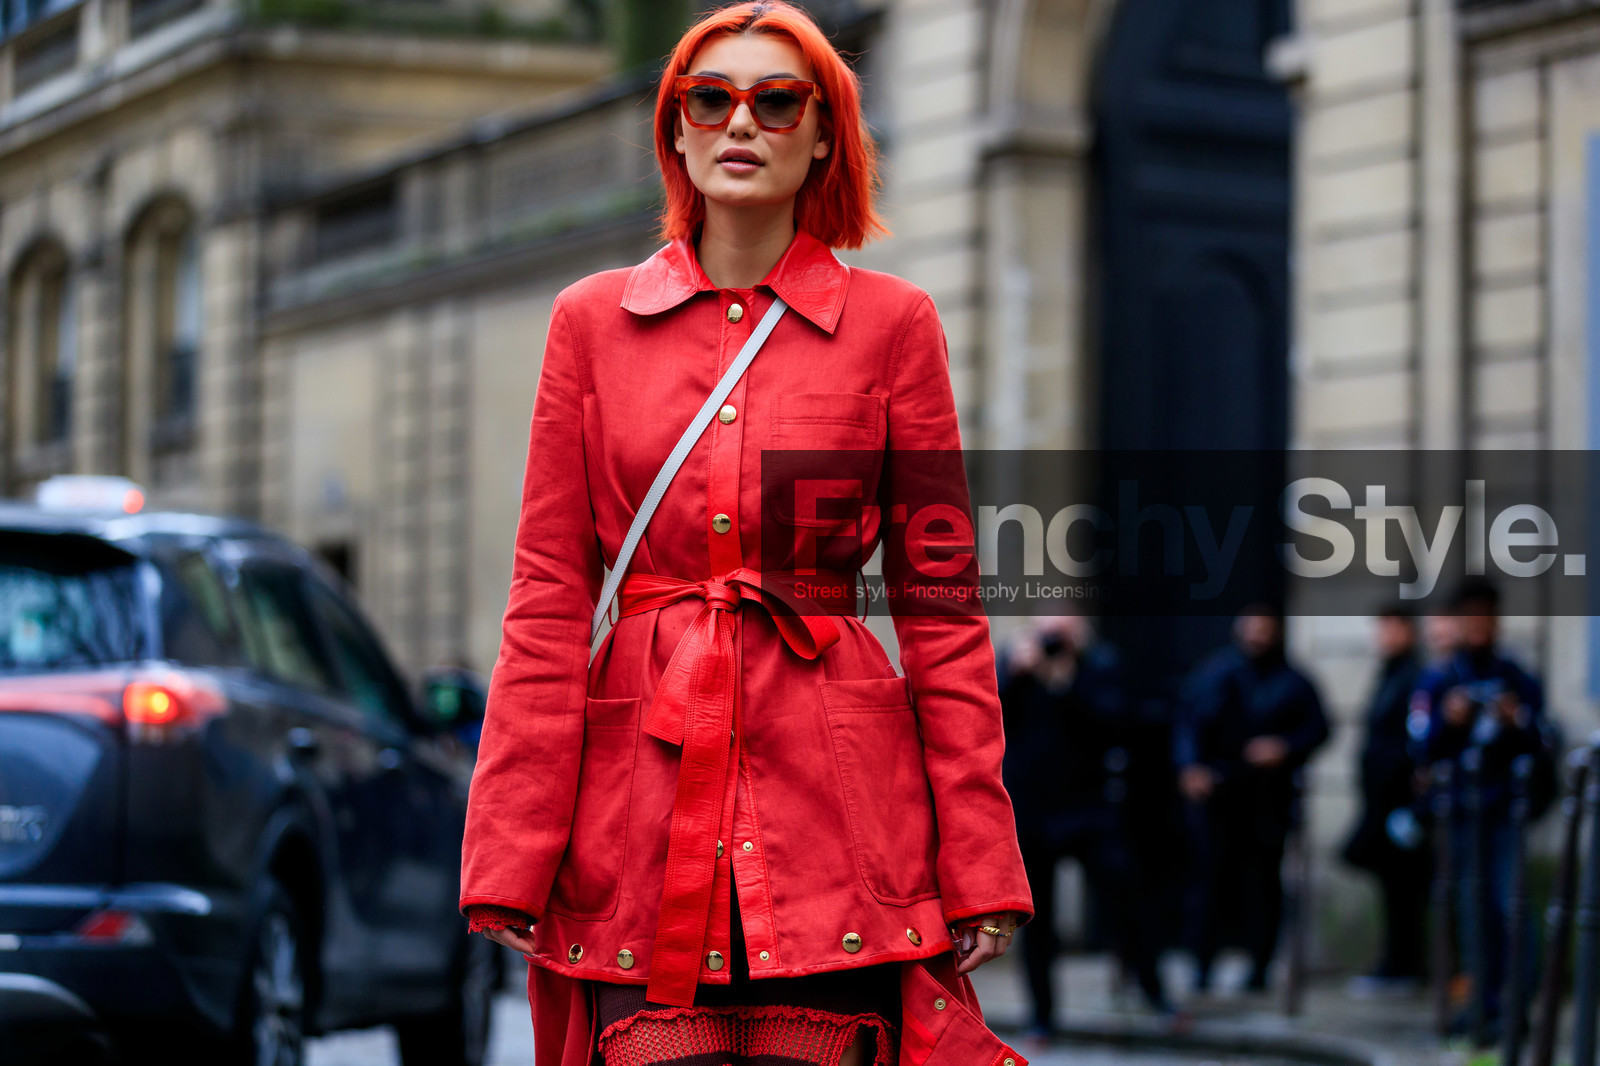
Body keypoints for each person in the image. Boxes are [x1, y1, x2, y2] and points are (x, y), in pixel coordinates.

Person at [455, 5, 1033, 1065]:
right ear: (674, 132)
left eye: (777, 101)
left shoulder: (893, 326)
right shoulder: (588, 321)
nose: (741, 122)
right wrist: (510, 846)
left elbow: (941, 612)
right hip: (634, 810)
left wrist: (980, 854)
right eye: (709, 99)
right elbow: (544, 598)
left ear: (823, 135)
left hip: (837, 810)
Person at [999, 613, 1174, 1036]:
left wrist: (1066, 682)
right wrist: (1017, 672)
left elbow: (1117, 723)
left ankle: (1155, 993)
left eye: (1063, 634)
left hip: (1089, 810)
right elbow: (986, 720)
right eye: (1047, 635)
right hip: (1034, 812)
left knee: (1125, 900)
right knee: (1035, 921)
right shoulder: (1015, 666)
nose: (1054, 643)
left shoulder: (1099, 666)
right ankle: (1041, 1018)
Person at [1411, 578, 1558, 1042]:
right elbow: (1419, 748)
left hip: (1503, 812)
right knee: (1469, 910)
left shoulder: (1516, 676)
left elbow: (1546, 740)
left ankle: (1514, 1005)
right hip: (1459, 813)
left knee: (1509, 906)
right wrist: (1447, 720)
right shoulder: (1439, 679)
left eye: (1486, 616)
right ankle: (1480, 1003)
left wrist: (1519, 720)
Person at [1175, 603, 1330, 993]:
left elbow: (1318, 728)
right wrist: (1190, 767)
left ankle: (1260, 968)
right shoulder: (1216, 673)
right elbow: (1187, 721)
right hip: (1219, 795)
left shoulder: (1293, 681)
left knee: (1263, 886)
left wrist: (1285, 748)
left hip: (1267, 800)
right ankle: (1202, 966)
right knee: (1209, 884)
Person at [1341, 604, 1429, 995]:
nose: (1385, 636)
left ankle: (1404, 966)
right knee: (1392, 887)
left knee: (1404, 889)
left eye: (1393, 628)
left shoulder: (1412, 677)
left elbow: (1409, 741)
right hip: (1381, 799)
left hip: (1398, 802)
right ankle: (1396, 963)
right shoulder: (1390, 675)